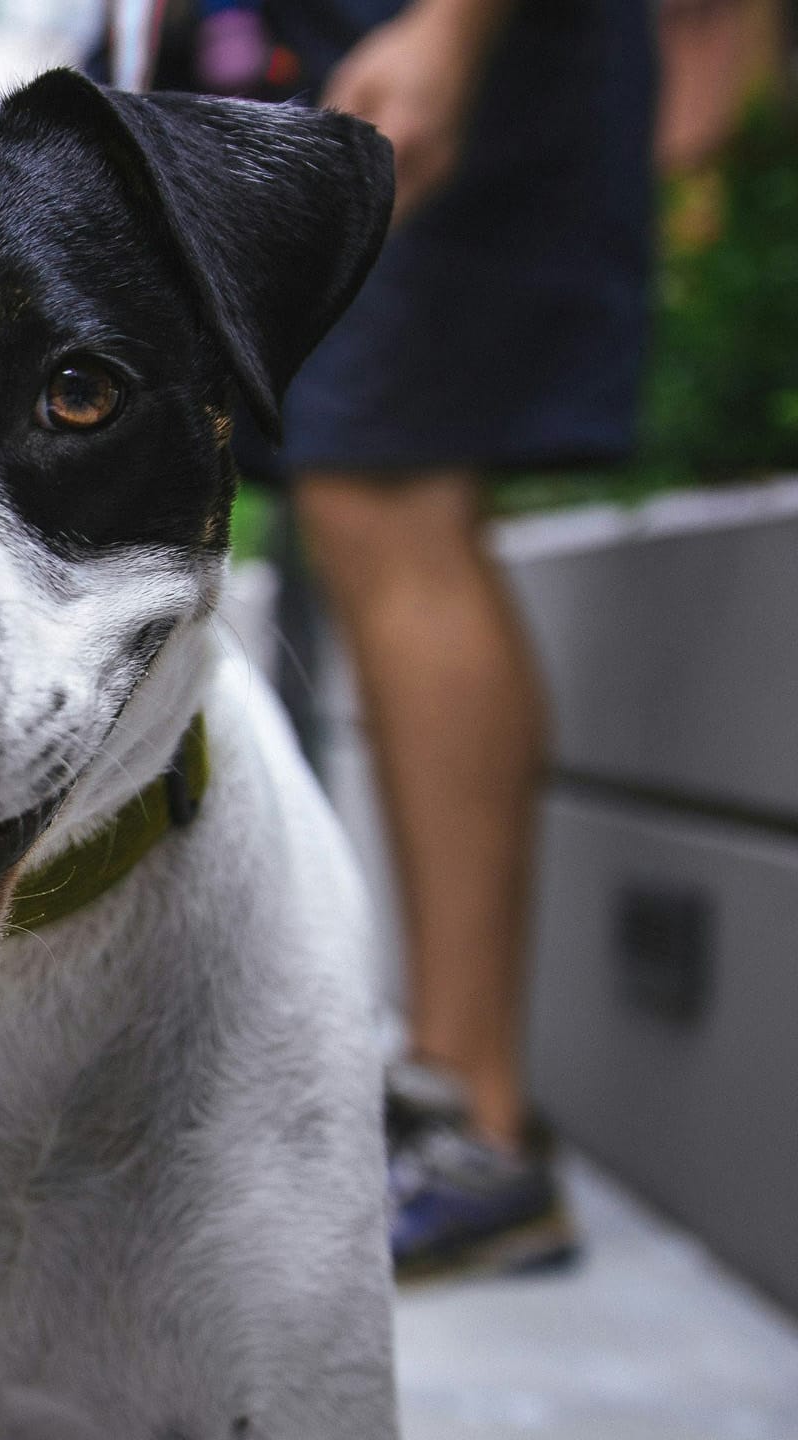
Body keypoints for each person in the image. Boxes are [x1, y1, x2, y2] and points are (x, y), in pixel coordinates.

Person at [142, 0, 659, 1280]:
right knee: (346, 496)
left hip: (410, 50)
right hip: (309, 56)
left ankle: (475, 1127)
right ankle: (431, 1106)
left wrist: (449, 28)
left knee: (392, 496)